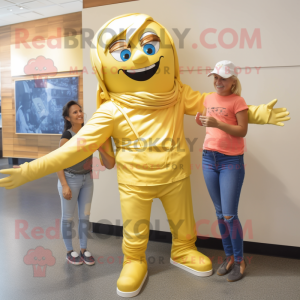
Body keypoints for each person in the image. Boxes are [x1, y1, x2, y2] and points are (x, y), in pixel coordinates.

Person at [0, 14, 290, 298]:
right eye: (123, 54)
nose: (139, 58)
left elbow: (220, 108)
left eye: (150, 48)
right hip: (135, 183)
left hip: (176, 176)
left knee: (183, 224)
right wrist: (29, 171)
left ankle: (183, 249)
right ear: (104, 68)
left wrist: (261, 113)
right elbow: (73, 149)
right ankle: (134, 260)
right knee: (135, 234)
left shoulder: (177, 94)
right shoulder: (111, 110)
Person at [197, 60, 249, 282]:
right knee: (219, 213)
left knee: (229, 214)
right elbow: (209, 123)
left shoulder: (238, 101)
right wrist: (202, 121)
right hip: (209, 158)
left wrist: (217, 124)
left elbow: (242, 130)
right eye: (215, 77)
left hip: (231, 161)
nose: (218, 81)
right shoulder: (208, 98)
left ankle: (239, 261)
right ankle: (228, 257)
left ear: (233, 81)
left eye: (223, 78)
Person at [57, 100, 115, 265]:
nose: (79, 114)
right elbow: (57, 163)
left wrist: (101, 147)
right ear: (68, 118)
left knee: (85, 217)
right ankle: (70, 251)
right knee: (68, 218)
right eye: (74, 112)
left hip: (87, 179)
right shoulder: (67, 137)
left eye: (80, 110)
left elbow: (110, 164)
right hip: (70, 179)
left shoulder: (90, 134)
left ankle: (83, 249)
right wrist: (65, 185)